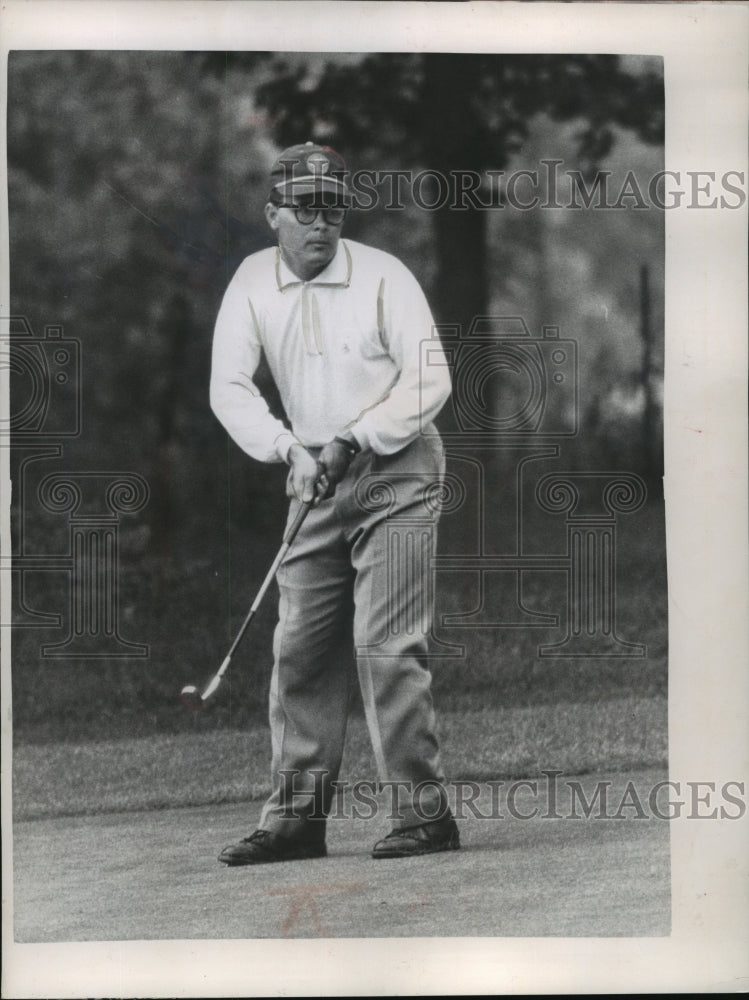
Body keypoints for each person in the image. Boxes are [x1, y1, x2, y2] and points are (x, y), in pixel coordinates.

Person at [210, 141, 459, 864]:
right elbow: (229, 385)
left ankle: (423, 816)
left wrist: (356, 437)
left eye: (331, 207)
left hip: (396, 468)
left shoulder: (384, 275)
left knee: (384, 645)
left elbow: (429, 379)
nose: (320, 223)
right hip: (312, 472)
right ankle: (295, 820)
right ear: (272, 215)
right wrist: (286, 450)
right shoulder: (252, 281)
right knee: (300, 649)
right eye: (304, 208)